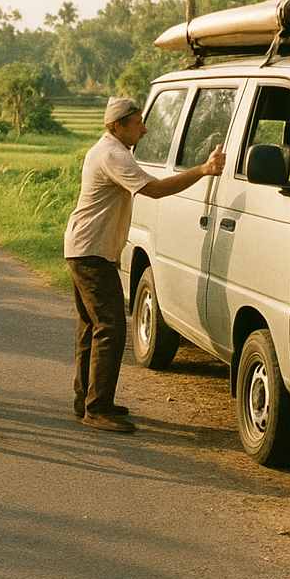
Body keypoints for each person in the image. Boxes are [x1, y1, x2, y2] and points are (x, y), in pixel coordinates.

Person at [64, 96, 226, 433]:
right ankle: (98, 408)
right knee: (110, 327)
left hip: (84, 247)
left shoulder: (110, 151)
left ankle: (87, 400)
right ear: (116, 126)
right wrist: (204, 169)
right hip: (91, 251)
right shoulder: (112, 154)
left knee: (91, 327)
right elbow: (154, 189)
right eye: (138, 123)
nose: (145, 128)